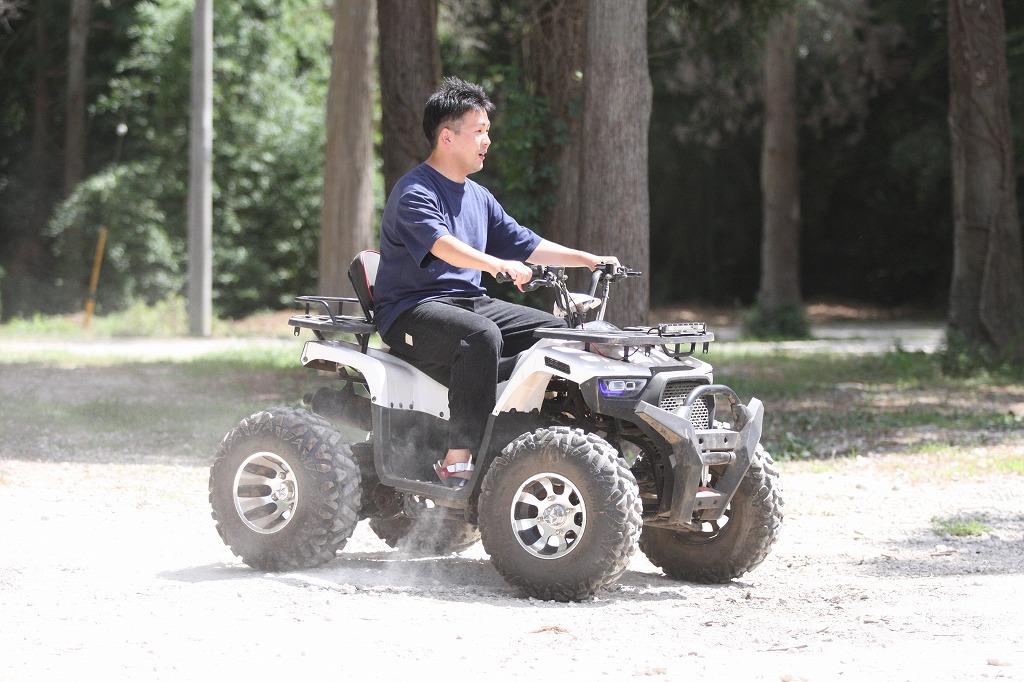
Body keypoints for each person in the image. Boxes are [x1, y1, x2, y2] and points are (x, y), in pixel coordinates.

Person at [373, 76, 617, 487]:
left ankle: (529, 436)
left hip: (468, 303)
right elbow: (443, 245)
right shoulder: (414, 191)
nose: (488, 140)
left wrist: (588, 259)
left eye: (488, 131)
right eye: (480, 131)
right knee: (480, 336)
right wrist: (495, 264)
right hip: (411, 310)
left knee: (558, 333)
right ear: (447, 137)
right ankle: (457, 459)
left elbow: (527, 243)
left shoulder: (478, 196)